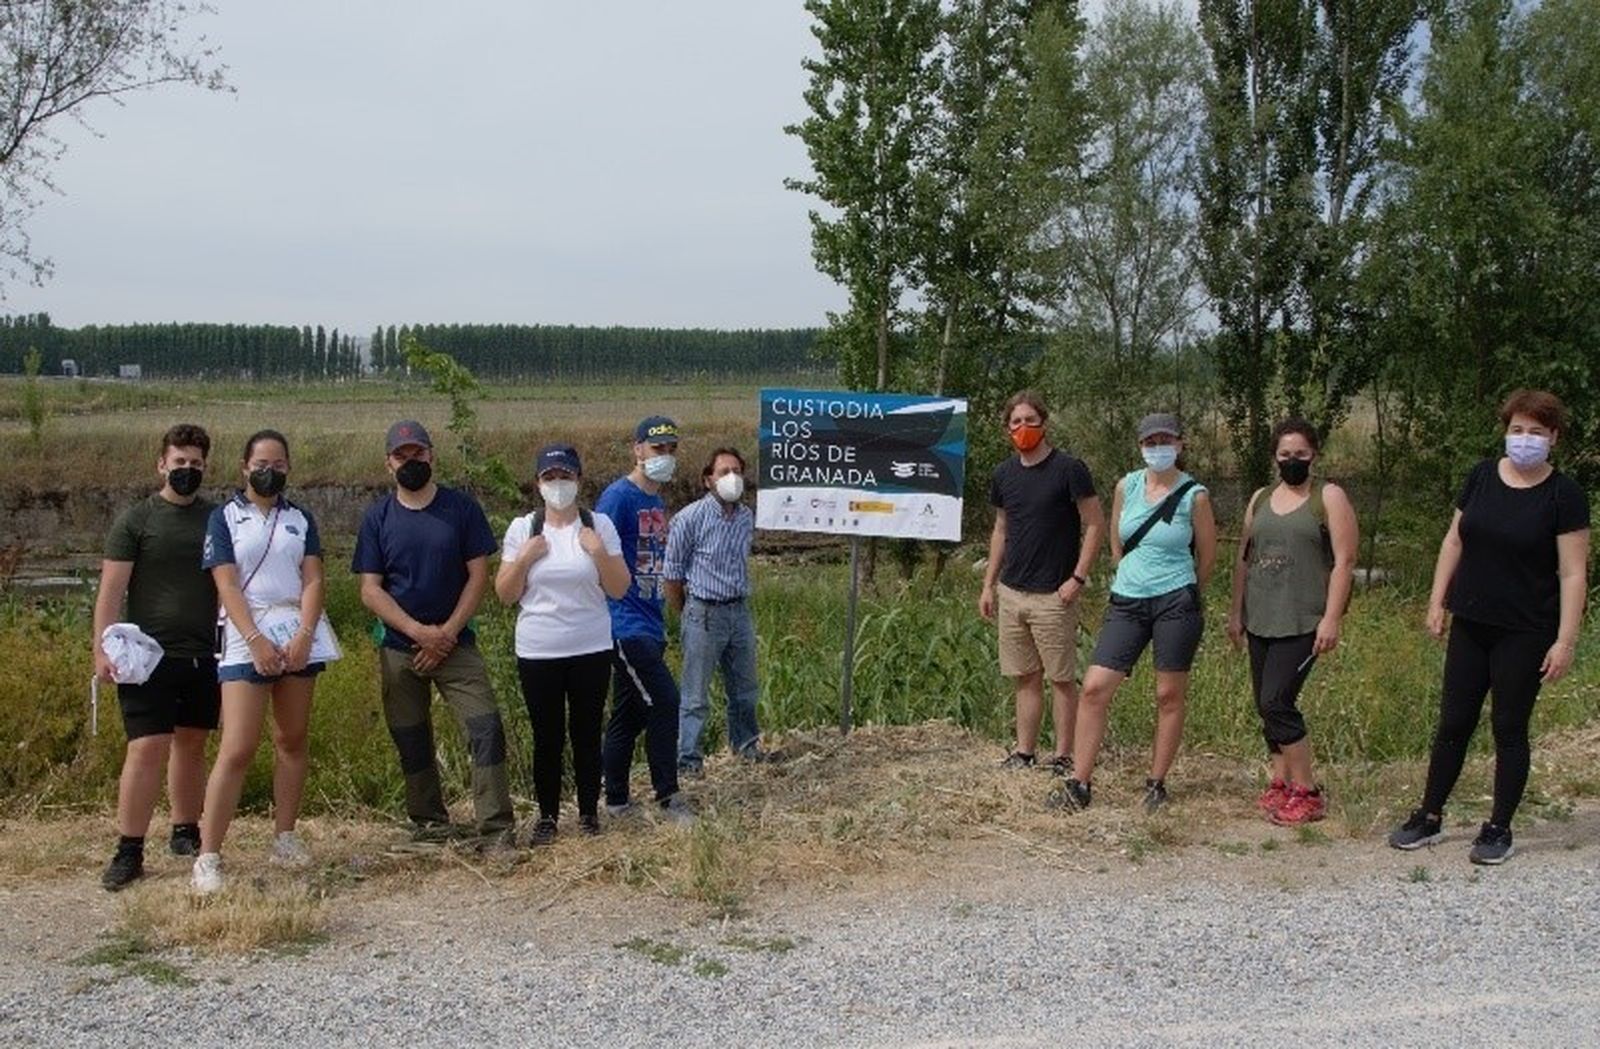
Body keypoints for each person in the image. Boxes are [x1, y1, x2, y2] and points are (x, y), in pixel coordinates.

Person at [1389, 390, 1589, 864]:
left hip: (1526, 630)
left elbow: (1573, 572)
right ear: (1505, 432)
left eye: (1536, 432)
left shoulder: (1565, 495)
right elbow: (1454, 539)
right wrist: (1438, 599)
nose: (1525, 440)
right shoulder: (1481, 476)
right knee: (1453, 722)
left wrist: (1565, 640)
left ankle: (1499, 827)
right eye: (1517, 430)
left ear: (1553, 438)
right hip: (1471, 621)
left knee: (1509, 728)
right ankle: (1430, 816)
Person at [352, 420, 516, 846]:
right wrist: (417, 632)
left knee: (485, 728)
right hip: (398, 648)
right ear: (388, 463)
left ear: (432, 456)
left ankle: (496, 830)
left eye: (418, 454)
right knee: (411, 736)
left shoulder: (460, 509)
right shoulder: (377, 518)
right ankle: (429, 823)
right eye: (401, 456)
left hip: (456, 645)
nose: (411, 462)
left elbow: (478, 576)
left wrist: (445, 633)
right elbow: (370, 590)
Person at [1053, 413, 1217, 813]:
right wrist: (1125, 570)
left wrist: (1187, 590)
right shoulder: (1127, 485)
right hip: (1128, 600)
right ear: (1140, 446)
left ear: (1180, 445)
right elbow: (1116, 537)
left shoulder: (1195, 494)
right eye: (1150, 441)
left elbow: (1208, 556)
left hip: (1175, 600)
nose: (1157, 447)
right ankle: (1080, 782)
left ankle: (1157, 782)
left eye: (1166, 440)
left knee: (1167, 694)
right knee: (1094, 688)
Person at [191, 429, 331, 894]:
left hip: (294, 635)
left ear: (289, 468)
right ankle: (208, 854)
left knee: (291, 738)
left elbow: (311, 580)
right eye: (261, 464)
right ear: (245, 468)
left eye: (279, 464)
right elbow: (226, 583)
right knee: (238, 746)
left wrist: (305, 635)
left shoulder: (301, 519)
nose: (269, 472)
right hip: (244, 636)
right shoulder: (224, 518)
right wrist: (253, 639)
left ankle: (285, 836)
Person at [94, 424, 220, 891]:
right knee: (147, 748)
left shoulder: (219, 518)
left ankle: (185, 830)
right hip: (147, 657)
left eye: (195, 464)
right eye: (179, 462)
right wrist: (101, 648)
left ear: (205, 467)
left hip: (205, 654)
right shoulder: (136, 520)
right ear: (161, 464)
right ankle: (129, 848)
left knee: (192, 744)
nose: (187, 470)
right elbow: (110, 593)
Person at [496, 444, 630, 843]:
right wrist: (523, 560)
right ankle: (547, 818)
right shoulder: (524, 529)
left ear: (579, 480)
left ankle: (589, 814)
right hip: (539, 649)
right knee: (547, 735)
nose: (558, 485)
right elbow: (504, 594)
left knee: (588, 732)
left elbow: (619, 587)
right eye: (550, 477)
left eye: (565, 477)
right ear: (538, 484)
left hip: (590, 645)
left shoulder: (598, 526)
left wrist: (598, 553)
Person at [1226, 419, 1358, 825]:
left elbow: (1345, 561)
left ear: (1314, 454)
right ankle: (1280, 782)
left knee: (1277, 702)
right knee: (1264, 707)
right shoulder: (1261, 498)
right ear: (1274, 458)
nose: (1293, 461)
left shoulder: (1328, 497)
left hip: (1303, 618)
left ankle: (1308, 791)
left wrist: (1331, 618)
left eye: (1300, 454)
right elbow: (1244, 559)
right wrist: (1236, 612)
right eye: (1285, 455)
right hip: (1261, 616)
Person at [979, 391, 1104, 773]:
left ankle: (1064, 756)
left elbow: (1096, 523)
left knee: (1061, 679)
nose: (1023, 428)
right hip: (1013, 592)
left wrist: (1078, 578)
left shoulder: (1069, 469)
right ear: (1007, 429)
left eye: (1030, 420)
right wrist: (988, 584)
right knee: (1025, 677)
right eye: (1016, 422)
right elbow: (1001, 529)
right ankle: (1025, 752)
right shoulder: (1003, 475)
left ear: (1044, 423)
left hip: (1055, 595)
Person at [599, 416, 694, 821]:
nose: (665, 456)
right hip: (624, 624)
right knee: (666, 701)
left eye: (671, 449)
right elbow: (598, 553)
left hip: (651, 620)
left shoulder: (655, 502)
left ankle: (616, 799)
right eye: (657, 449)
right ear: (637, 450)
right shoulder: (618, 498)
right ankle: (668, 795)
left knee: (631, 711)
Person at [664, 446, 773, 770]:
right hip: (703, 612)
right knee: (696, 696)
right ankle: (688, 761)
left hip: (738, 611)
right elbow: (672, 575)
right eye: (724, 472)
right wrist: (687, 613)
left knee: (744, 689)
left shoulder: (745, 517)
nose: (732, 478)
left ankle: (746, 747)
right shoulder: (689, 518)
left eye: (737, 471)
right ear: (708, 479)